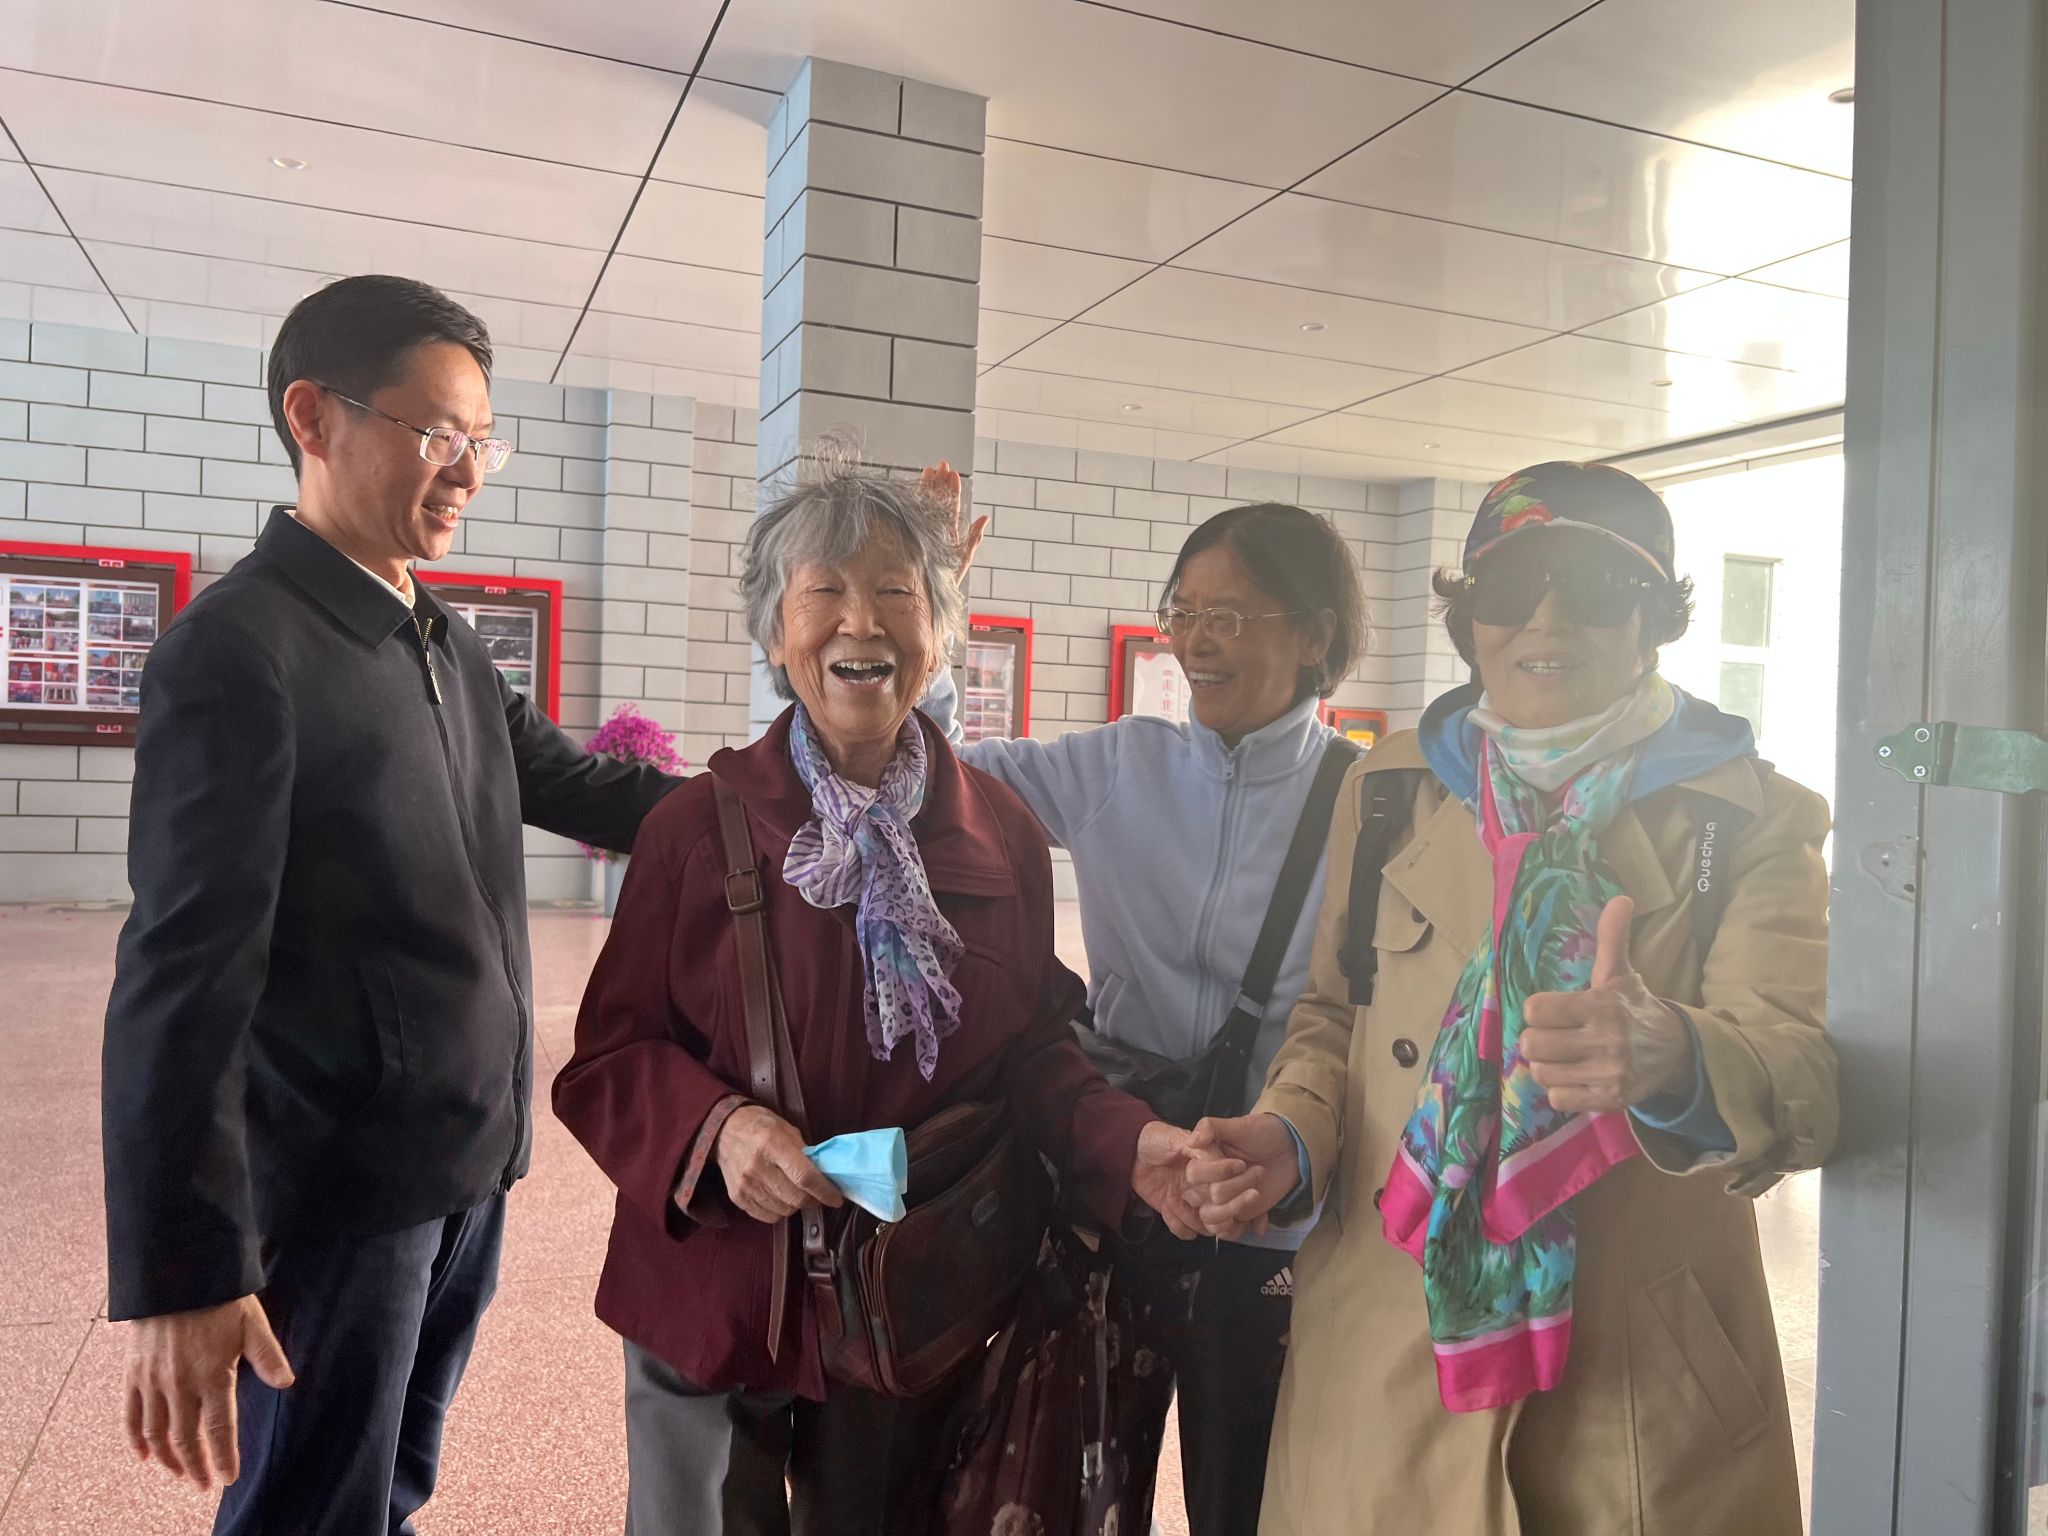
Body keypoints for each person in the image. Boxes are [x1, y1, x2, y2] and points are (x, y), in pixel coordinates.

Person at [101, 275, 682, 1535]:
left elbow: (583, 786)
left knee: (387, 1487)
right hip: (337, 1195)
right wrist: (182, 1267)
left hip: (464, 1166)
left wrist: (795, 795)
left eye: (482, 441)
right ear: (313, 418)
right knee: (310, 1508)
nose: (466, 471)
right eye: (436, 434)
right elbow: (182, 971)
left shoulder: (441, 641)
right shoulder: (241, 650)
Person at [551, 454, 1207, 1533]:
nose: (861, 621)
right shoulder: (696, 830)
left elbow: (1035, 1052)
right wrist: (718, 1130)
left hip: (910, 1296)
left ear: (938, 634)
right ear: (776, 633)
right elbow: (609, 1060)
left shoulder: (998, 834)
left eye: (897, 590)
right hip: (715, 1287)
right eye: (824, 590)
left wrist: (1129, 1144)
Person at [1190, 461, 1838, 1535]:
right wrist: (1290, 1131)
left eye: (1592, 586)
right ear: (1468, 615)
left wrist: (1672, 1053)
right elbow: (1333, 1018)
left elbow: (1802, 1074)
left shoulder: (1749, 818)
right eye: (1509, 585)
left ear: (1654, 618)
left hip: (1636, 1385)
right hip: (1381, 1358)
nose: (1544, 617)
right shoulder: (1390, 788)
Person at [919, 467, 1370, 1536]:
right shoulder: (1119, 764)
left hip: (1271, 1214)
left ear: (1313, 634)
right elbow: (931, 781)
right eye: (1184, 613)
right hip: (1120, 1192)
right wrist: (931, 605)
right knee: (1070, 1483)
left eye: (1230, 616)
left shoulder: (1369, 801)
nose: (1196, 642)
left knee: (1245, 1497)